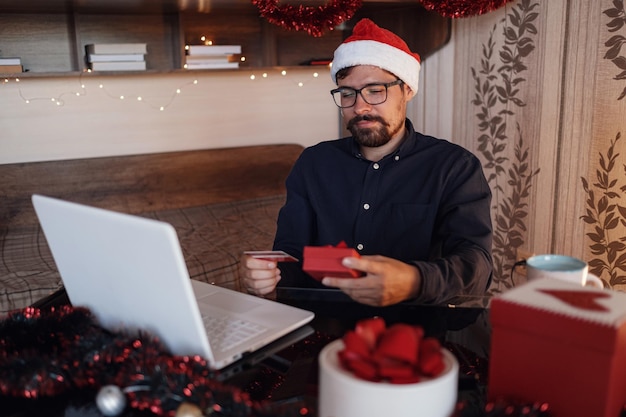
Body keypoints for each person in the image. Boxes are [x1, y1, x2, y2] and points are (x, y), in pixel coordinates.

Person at [241, 18, 492, 306]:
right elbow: (291, 255)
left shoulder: (455, 168)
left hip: (416, 334)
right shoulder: (313, 163)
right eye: (347, 94)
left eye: (375, 90)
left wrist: (414, 281)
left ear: (407, 89)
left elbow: (477, 267)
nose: (360, 107)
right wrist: (267, 279)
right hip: (321, 329)